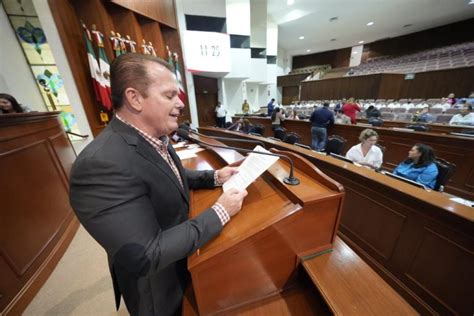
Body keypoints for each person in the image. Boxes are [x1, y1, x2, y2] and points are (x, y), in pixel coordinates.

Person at [69, 53, 248, 315]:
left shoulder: (154, 135)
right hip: (159, 289)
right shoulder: (100, 165)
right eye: (169, 95)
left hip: (182, 258)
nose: (180, 103)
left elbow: (163, 175)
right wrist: (220, 212)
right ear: (135, 98)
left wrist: (213, 177)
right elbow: (146, 254)